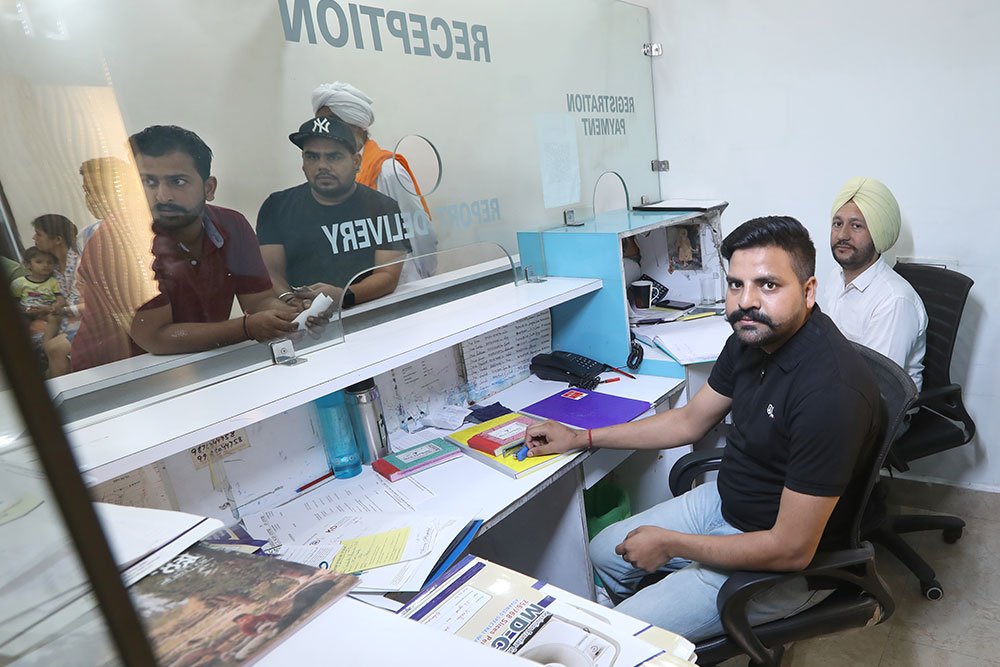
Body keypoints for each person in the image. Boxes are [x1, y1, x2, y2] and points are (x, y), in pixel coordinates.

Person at [524, 216, 884, 641]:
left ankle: (643, 636)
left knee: (614, 635)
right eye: (736, 284)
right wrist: (581, 438)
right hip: (729, 501)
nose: (746, 301)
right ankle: (659, 631)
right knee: (603, 552)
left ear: (808, 292)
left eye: (768, 285)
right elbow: (688, 420)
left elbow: (791, 550)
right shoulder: (751, 339)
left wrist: (672, 544)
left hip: (783, 561)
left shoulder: (830, 392)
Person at [125, 125, 303, 355]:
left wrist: (291, 314)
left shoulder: (233, 226)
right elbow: (156, 338)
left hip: (203, 361)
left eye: (177, 182)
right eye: (149, 182)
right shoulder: (125, 242)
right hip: (119, 372)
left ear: (209, 188)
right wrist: (247, 328)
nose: (162, 196)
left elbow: (259, 301)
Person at [256, 116, 409, 310]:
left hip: (363, 313)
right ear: (303, 163)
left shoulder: (382, 208)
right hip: (297, 317)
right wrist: (291, 302)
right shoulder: (276, 206)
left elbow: (388, 275)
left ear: (356, 161)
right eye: (312, 156)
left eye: (334, 156)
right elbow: (271, 273)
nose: (322, 166)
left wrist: (343, 296)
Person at [312, 81, 438, 281]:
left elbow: (421, 232)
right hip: (358, 287)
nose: (324, 131)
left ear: (356, 126)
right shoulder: (329, 176)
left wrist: (425, 281)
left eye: (331, 123)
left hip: (405, 284)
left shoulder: (387, 171)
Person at [818, 177, 928, 389]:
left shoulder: (894, 301)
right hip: (836, 386)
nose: (843, 235)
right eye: (837, 224)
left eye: (856, 226)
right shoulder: (835, 278)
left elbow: (877, 386)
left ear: (878, 234)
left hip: (871, 402)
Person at [71, 156, 160, 371]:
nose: (91, 199)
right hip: (110, 351)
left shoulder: (147, 228)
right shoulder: (92, 236)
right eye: (87, 191)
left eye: (100, 189)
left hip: (134, 345)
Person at [32, 214, 82, 376]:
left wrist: (61, 310)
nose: (34, 238)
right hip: (67, 321)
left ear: (58, 239)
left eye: (38, 234)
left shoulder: (80, 266)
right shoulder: (54, 269)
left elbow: (90, 304)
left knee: (52, 347)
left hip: (86, 321)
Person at [10, 246, 65, 349]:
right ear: (27, 264)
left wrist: (56, 305)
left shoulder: (53, 282)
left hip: (46, 311)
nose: (45, 265)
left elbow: (60, 298)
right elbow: (14, 301)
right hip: (26, 313)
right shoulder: (19, 283)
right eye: (39, 262)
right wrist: (23, 310)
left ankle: (46, 345)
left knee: (54, 318)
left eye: (49, 262)